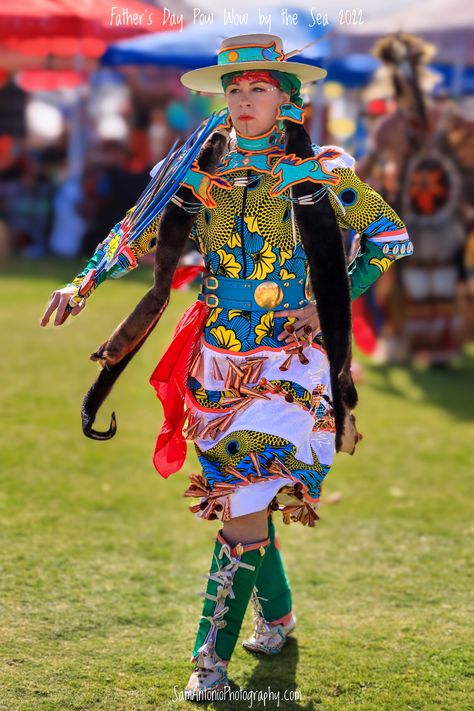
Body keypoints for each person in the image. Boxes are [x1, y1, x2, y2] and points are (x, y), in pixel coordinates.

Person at [40, 34, 413, 700]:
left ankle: (207, 663)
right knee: (249, 500)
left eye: (258, 89)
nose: (243, 101)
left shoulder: (319, 168)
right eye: (234, 90)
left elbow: (388, 236)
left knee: (241, 504)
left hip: (291, 366)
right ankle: (280, 615)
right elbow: (134, 231)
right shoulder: (192, 169)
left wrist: (329, 304)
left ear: (288, 98)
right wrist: (81, 286)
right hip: (217, 363)